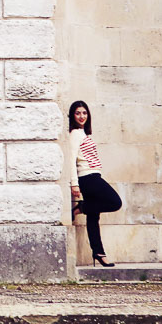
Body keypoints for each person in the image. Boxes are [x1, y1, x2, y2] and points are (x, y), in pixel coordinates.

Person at [68, 99, 121, 267]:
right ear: (72, 116)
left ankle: (98, 253)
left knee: (93, 217)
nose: (81, 116)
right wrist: (74, 184)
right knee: (115, 202)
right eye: (78, 113)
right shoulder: (75, 134)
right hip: (87, 178)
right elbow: (70, 160)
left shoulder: (84, 133)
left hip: (93, 176)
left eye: (84, 113)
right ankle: (80, 208)